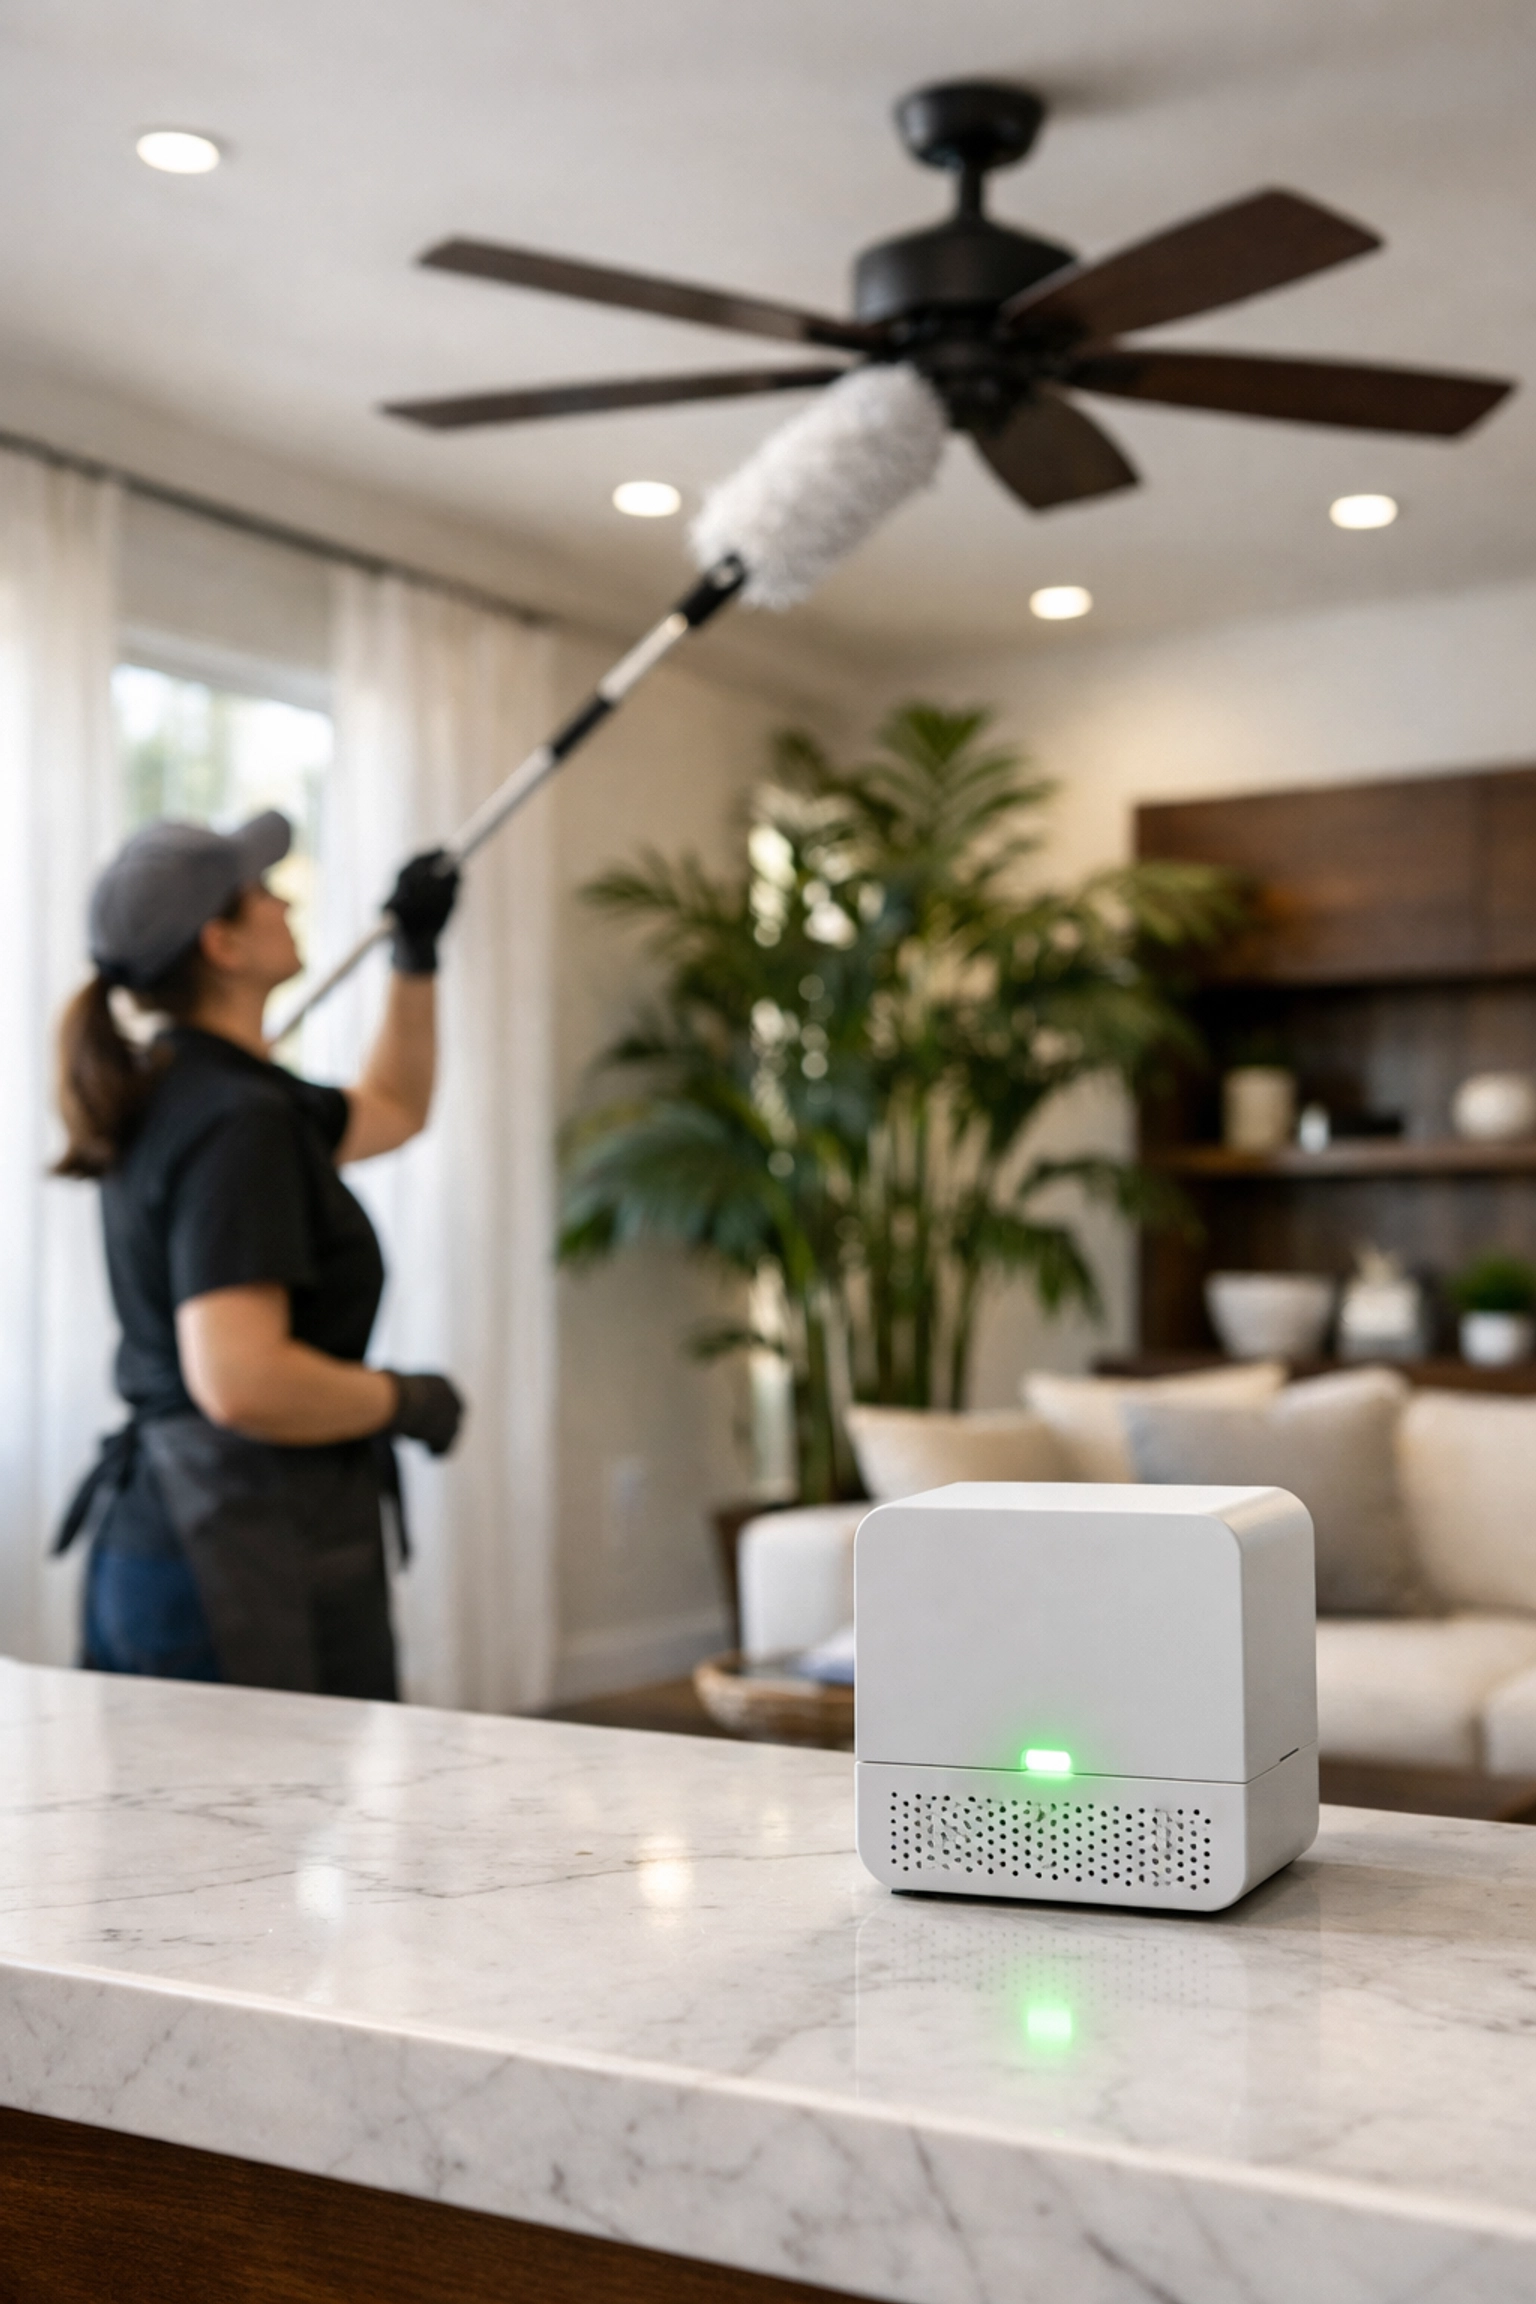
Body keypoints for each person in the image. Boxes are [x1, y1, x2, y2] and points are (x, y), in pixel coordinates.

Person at [53, 809, 464, 1698]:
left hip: (203, 1539)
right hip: (232, 1555)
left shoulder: (201, 1089)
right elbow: (242, 1379)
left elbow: (394, 1106)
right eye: (260, 890)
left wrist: (416, 956)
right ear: (223, 943)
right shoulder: (235, 1120)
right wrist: (405, 1399)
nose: (284, 898)